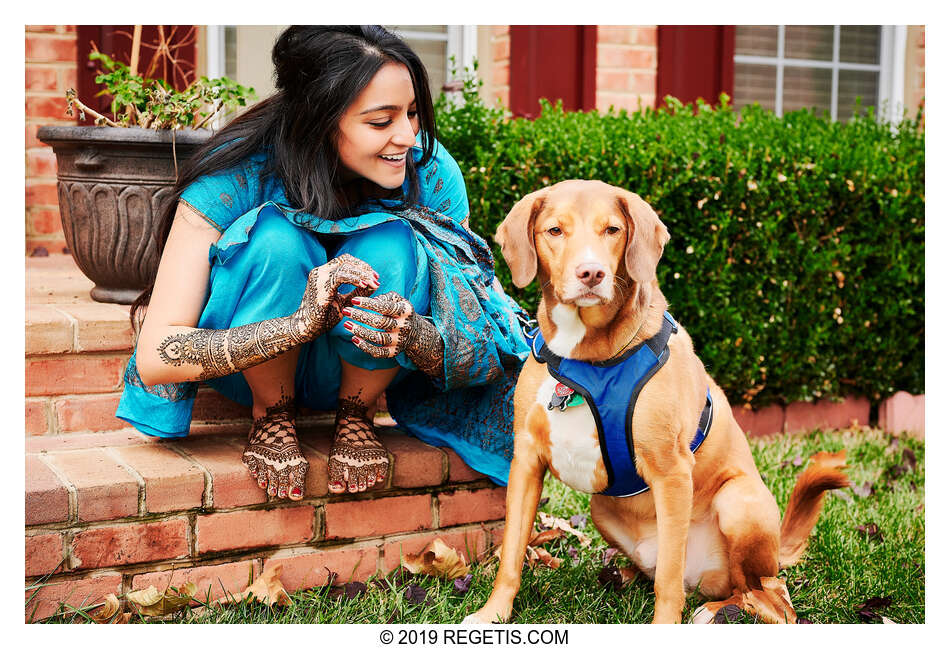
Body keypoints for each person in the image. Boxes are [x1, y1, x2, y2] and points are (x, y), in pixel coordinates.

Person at [116, 25, 530, 501]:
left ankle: (357, 415)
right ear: (319, 120)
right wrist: (296, 326)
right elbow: (155, 357)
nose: (408, 137)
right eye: (381, 122)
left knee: (395, 239)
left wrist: (411, 334)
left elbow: (476, 323)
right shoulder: (237, 173)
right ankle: (271, 416)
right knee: (275, 237)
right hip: (247, 365)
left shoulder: (431, 175)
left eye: (412, 114)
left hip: (368, 369)